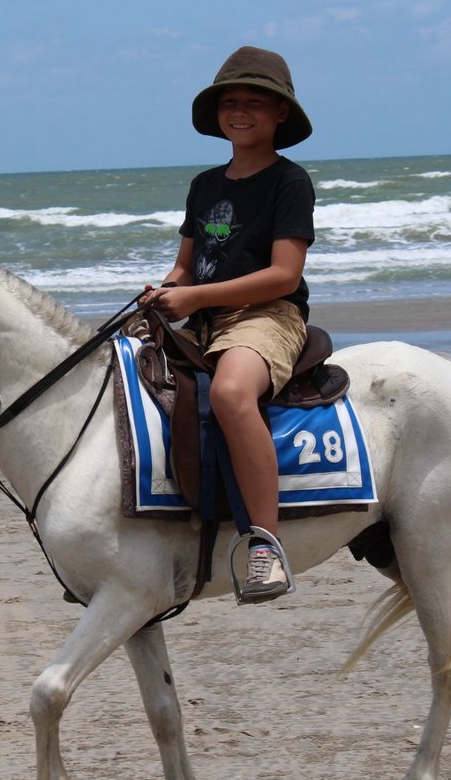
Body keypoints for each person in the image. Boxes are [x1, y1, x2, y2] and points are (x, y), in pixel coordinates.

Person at [144, 46, 315, 603]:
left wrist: (194, 297)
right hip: (204, 313)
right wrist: (166, 291)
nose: (240, 112)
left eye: (254, 103)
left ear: (280, 113)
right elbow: (184, 266)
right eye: (231, 102)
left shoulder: (289, 183)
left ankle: (265, 545)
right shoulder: (204, 185)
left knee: (233, 392)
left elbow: (284, 275)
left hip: (266, 315)